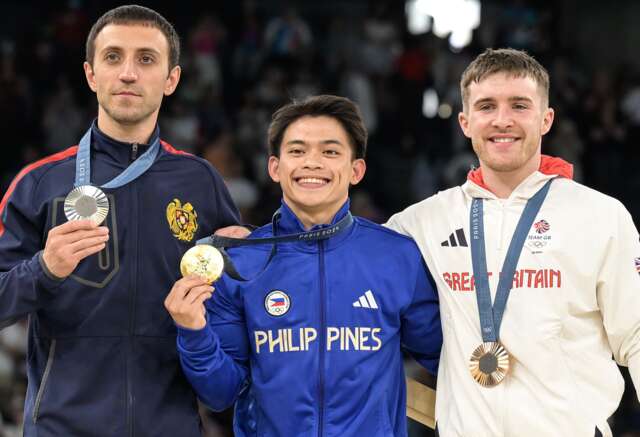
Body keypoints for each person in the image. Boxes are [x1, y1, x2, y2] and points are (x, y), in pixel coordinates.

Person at [0, 5, 239, 437]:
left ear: (172, 79)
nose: (128, 73)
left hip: (171, 426)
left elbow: (231, 311)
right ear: (91, 74)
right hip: (61, 428)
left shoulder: (201, 183)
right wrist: (44, 269)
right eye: (113, 57)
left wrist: (244, 264)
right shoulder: (38, 184)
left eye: (146, 59)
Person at [387, 48, 640, 437]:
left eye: (519, 105)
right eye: (487, 106)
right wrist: (261, 242)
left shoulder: (601, 216)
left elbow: (637, 334)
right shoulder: (421, 222)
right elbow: (344, 262)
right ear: (465, 122)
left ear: (546, 119)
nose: (502, 120)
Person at [164, 95, 442, 437]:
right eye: (297, 151)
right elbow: (220, 394)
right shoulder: (240, 263)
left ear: (356, 170)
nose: (312, 162)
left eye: (330, 152)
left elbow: (445, 359)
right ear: (275, 168)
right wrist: (193, 331)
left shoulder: (397, 256)